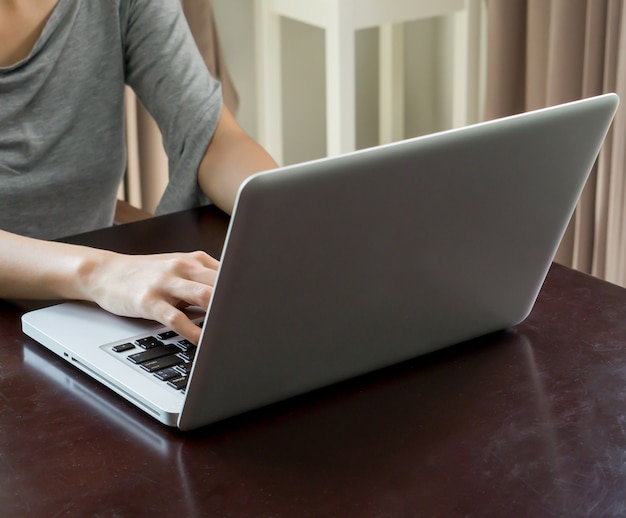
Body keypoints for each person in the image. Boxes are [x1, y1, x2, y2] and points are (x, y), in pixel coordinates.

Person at [0, 0, 278, 344]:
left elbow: (211, 137)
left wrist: (283, 210)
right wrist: (100, 272)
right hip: (83, 288)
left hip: (86, 303)